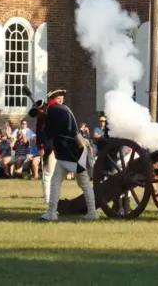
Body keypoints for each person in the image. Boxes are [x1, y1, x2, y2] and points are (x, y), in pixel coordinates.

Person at [40, 90, 98, 221]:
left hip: (68, 153)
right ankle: (92, 211)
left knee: (56, 182)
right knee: (85, 184)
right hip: (76, 151)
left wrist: (44, 122)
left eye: (61, 98)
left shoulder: (54, 111)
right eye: (58, 98)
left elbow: (49, 133)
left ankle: (52, 212)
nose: (60, 100)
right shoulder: (65, 110)